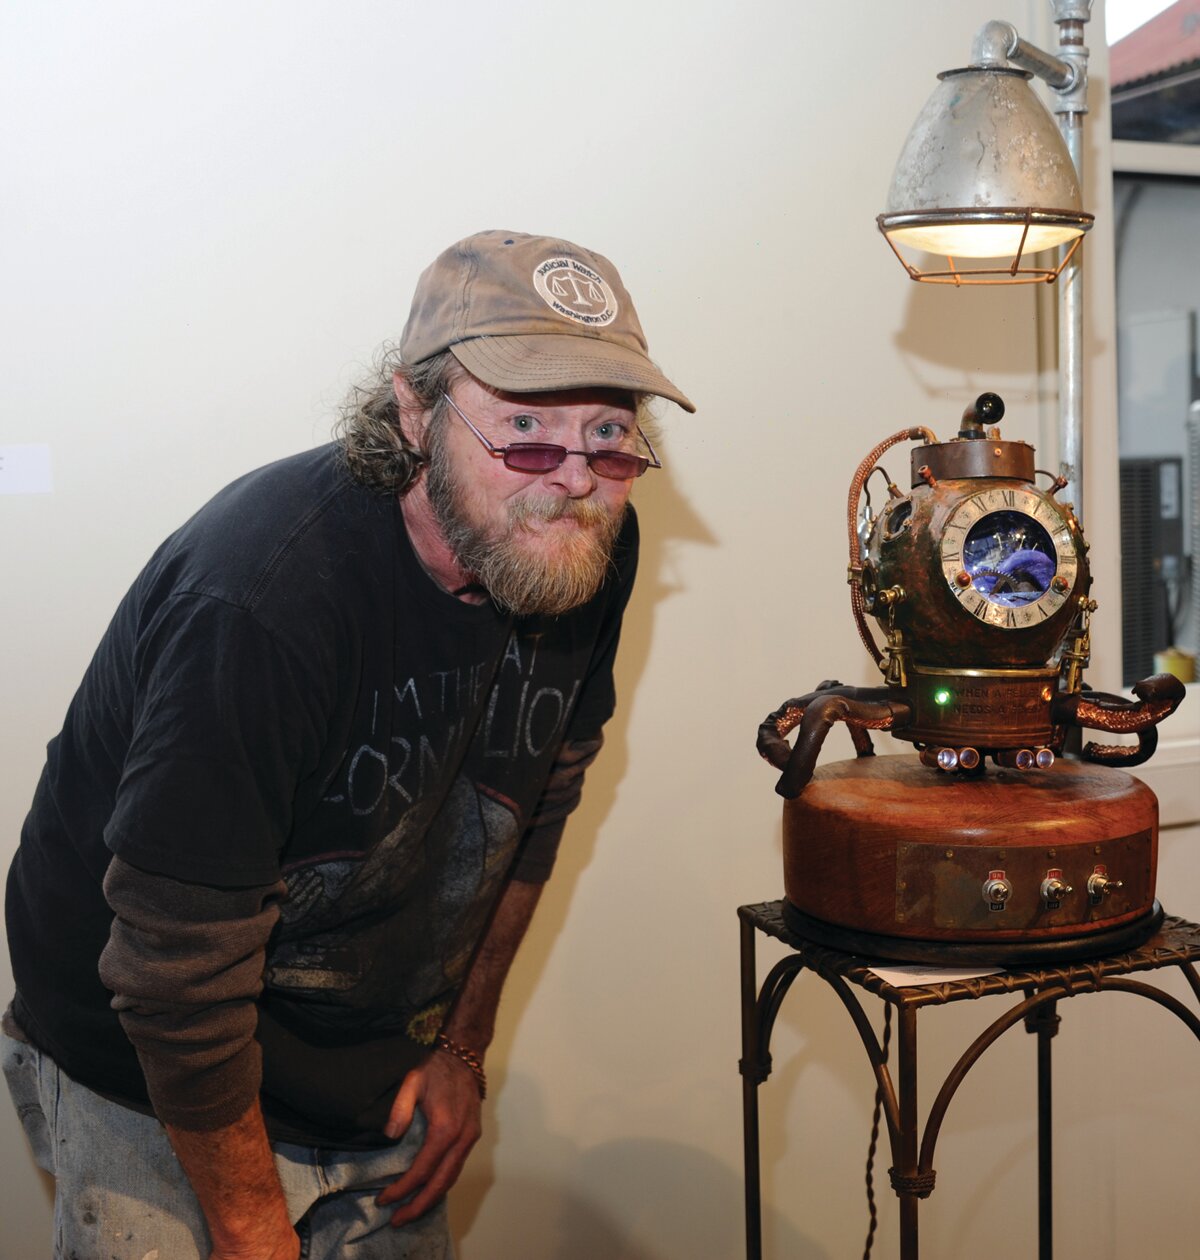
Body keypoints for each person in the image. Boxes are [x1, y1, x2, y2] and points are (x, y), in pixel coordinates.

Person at [2, 229, 694, 1260]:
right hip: (144, 1062)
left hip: (360, 1057)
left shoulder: (586, 549)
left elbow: (535, 798)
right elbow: (170, 968)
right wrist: (248, 1228)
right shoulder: (262, 600)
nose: (575, 479)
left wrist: (463, 1044)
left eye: (609, 432)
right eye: (525, 430)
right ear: (415, 412)